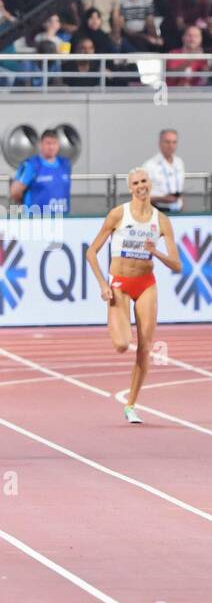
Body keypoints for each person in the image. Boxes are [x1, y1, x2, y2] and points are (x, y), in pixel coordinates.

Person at [85, 168, 180, 424]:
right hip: (119, 284)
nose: (141, 186)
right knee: (122, 344)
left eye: (144, 182)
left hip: (146, 283)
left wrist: (156, 253)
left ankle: (131, 404)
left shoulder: (161, 221)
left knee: (145, 347)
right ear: (130, 187)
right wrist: (103, 284)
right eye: (136, 183)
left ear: (150, 185)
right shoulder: (119, 214)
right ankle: (115, 318)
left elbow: (177, 264)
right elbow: (91, 252)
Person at [11, 128, 71, 214]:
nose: (51, 147)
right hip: (37, 220)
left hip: (61, 219)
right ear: (40, 144)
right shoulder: (31, 165)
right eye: (48, 143)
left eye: (54, 143)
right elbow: (15, 192)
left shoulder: (65, 164)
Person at [144, 129, 185, 214]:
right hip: (158, 211)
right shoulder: (150, 165)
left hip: (178, 211)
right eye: (167, 142)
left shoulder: (179, 162)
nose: (171, 146)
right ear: (160, 143)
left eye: (174, 142)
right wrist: (162, 198)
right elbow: (141, 196)